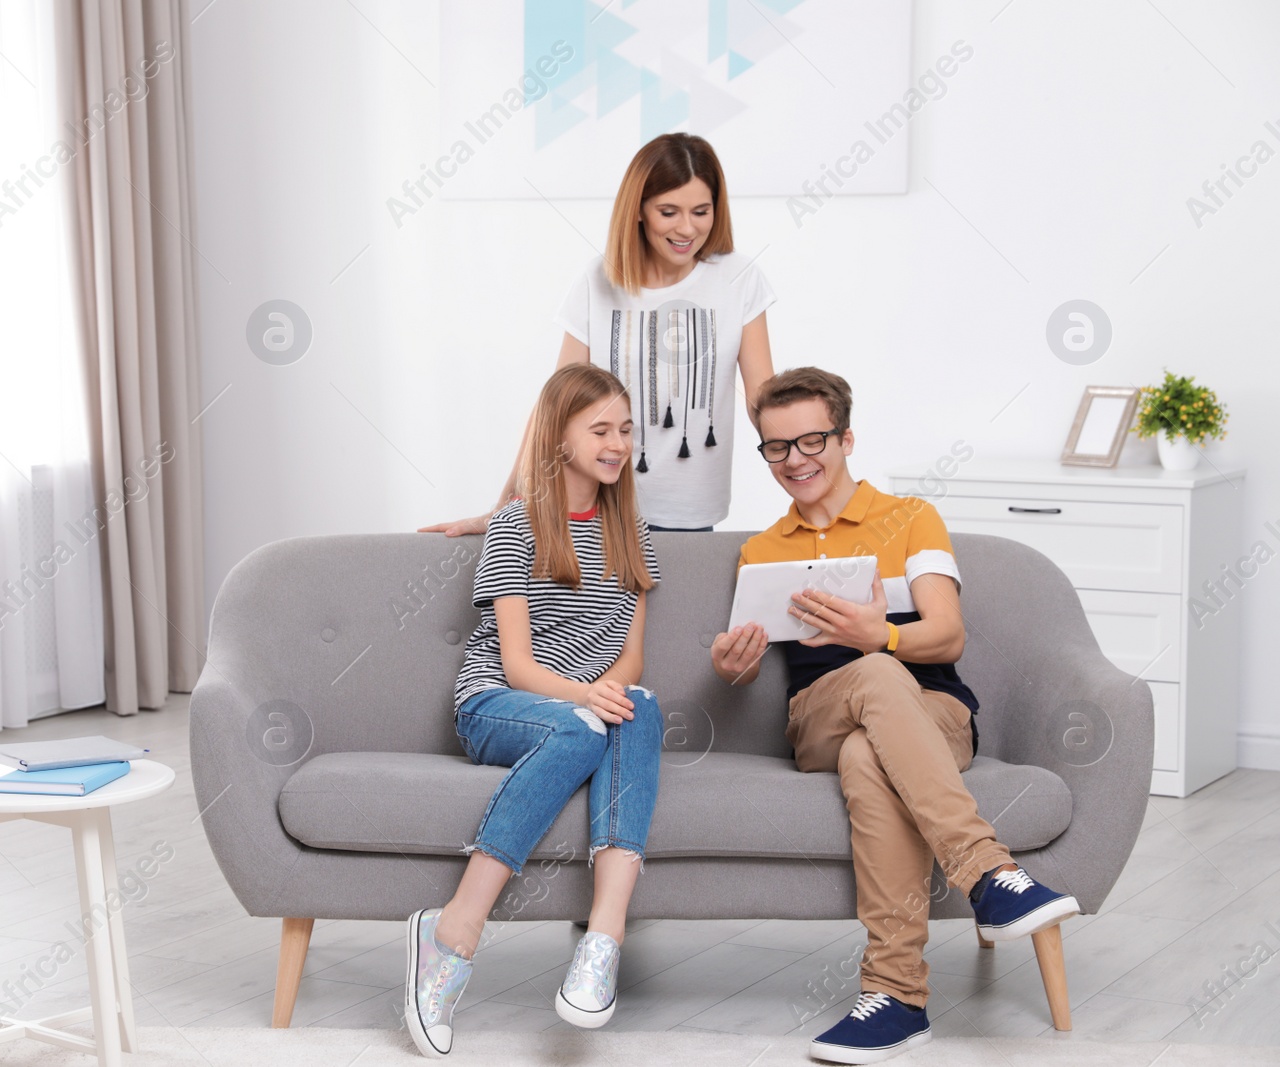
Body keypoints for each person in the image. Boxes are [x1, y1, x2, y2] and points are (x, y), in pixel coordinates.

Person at [710, 367, 1080, 1065]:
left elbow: (948, 635)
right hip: (817, 715)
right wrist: (735, 666)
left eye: (811, 439)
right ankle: (992, 875)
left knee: (866, 751)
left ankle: (897, 998)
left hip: (933, 711)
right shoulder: (762, 549)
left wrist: (875, 632)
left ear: (846, 438)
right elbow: (748, 662)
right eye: (777, 447)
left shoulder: (912, 518)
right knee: (871, 684)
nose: (795, 460)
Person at [404, 364, 663, 1058]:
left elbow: (630, 656)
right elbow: (516, 665)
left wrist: (606, 693)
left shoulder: (632, 529)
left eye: (625, 430)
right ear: (560, 438)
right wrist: (585, 697)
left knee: (640, 703)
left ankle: (602, 938)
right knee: (592, 722)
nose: (616, 443)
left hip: (584, 710)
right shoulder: (516, 527)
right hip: (499, 703)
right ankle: (454, 929)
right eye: (600, 429)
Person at [421, 132, 775, 537]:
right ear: (639, 210)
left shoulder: (739, 279)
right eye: (668, 211)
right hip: (595, 506)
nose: (687, 228)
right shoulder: (598, 280)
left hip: (689, 515)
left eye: (701, 211)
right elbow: (556, 404)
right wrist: (503, 508)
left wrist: (813, 466)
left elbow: (763, 401)